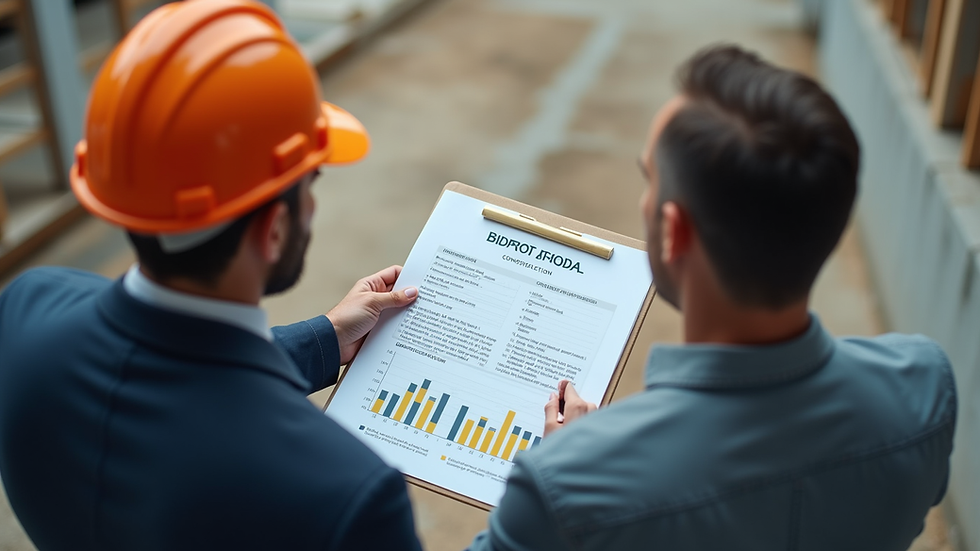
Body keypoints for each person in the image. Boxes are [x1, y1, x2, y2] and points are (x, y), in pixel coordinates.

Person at [468, 45, 957, 550]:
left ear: (673, 231)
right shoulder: (923, 389)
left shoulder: (564, 488)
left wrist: (568, 466)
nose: (643, 200)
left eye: (649, 180)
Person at [0, 1, 423, 549]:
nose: (313, 207)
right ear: (273, 230)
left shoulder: (27, 309)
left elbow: (171, 374)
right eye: (310, 182)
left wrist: (324, 338)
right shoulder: (344, 492)